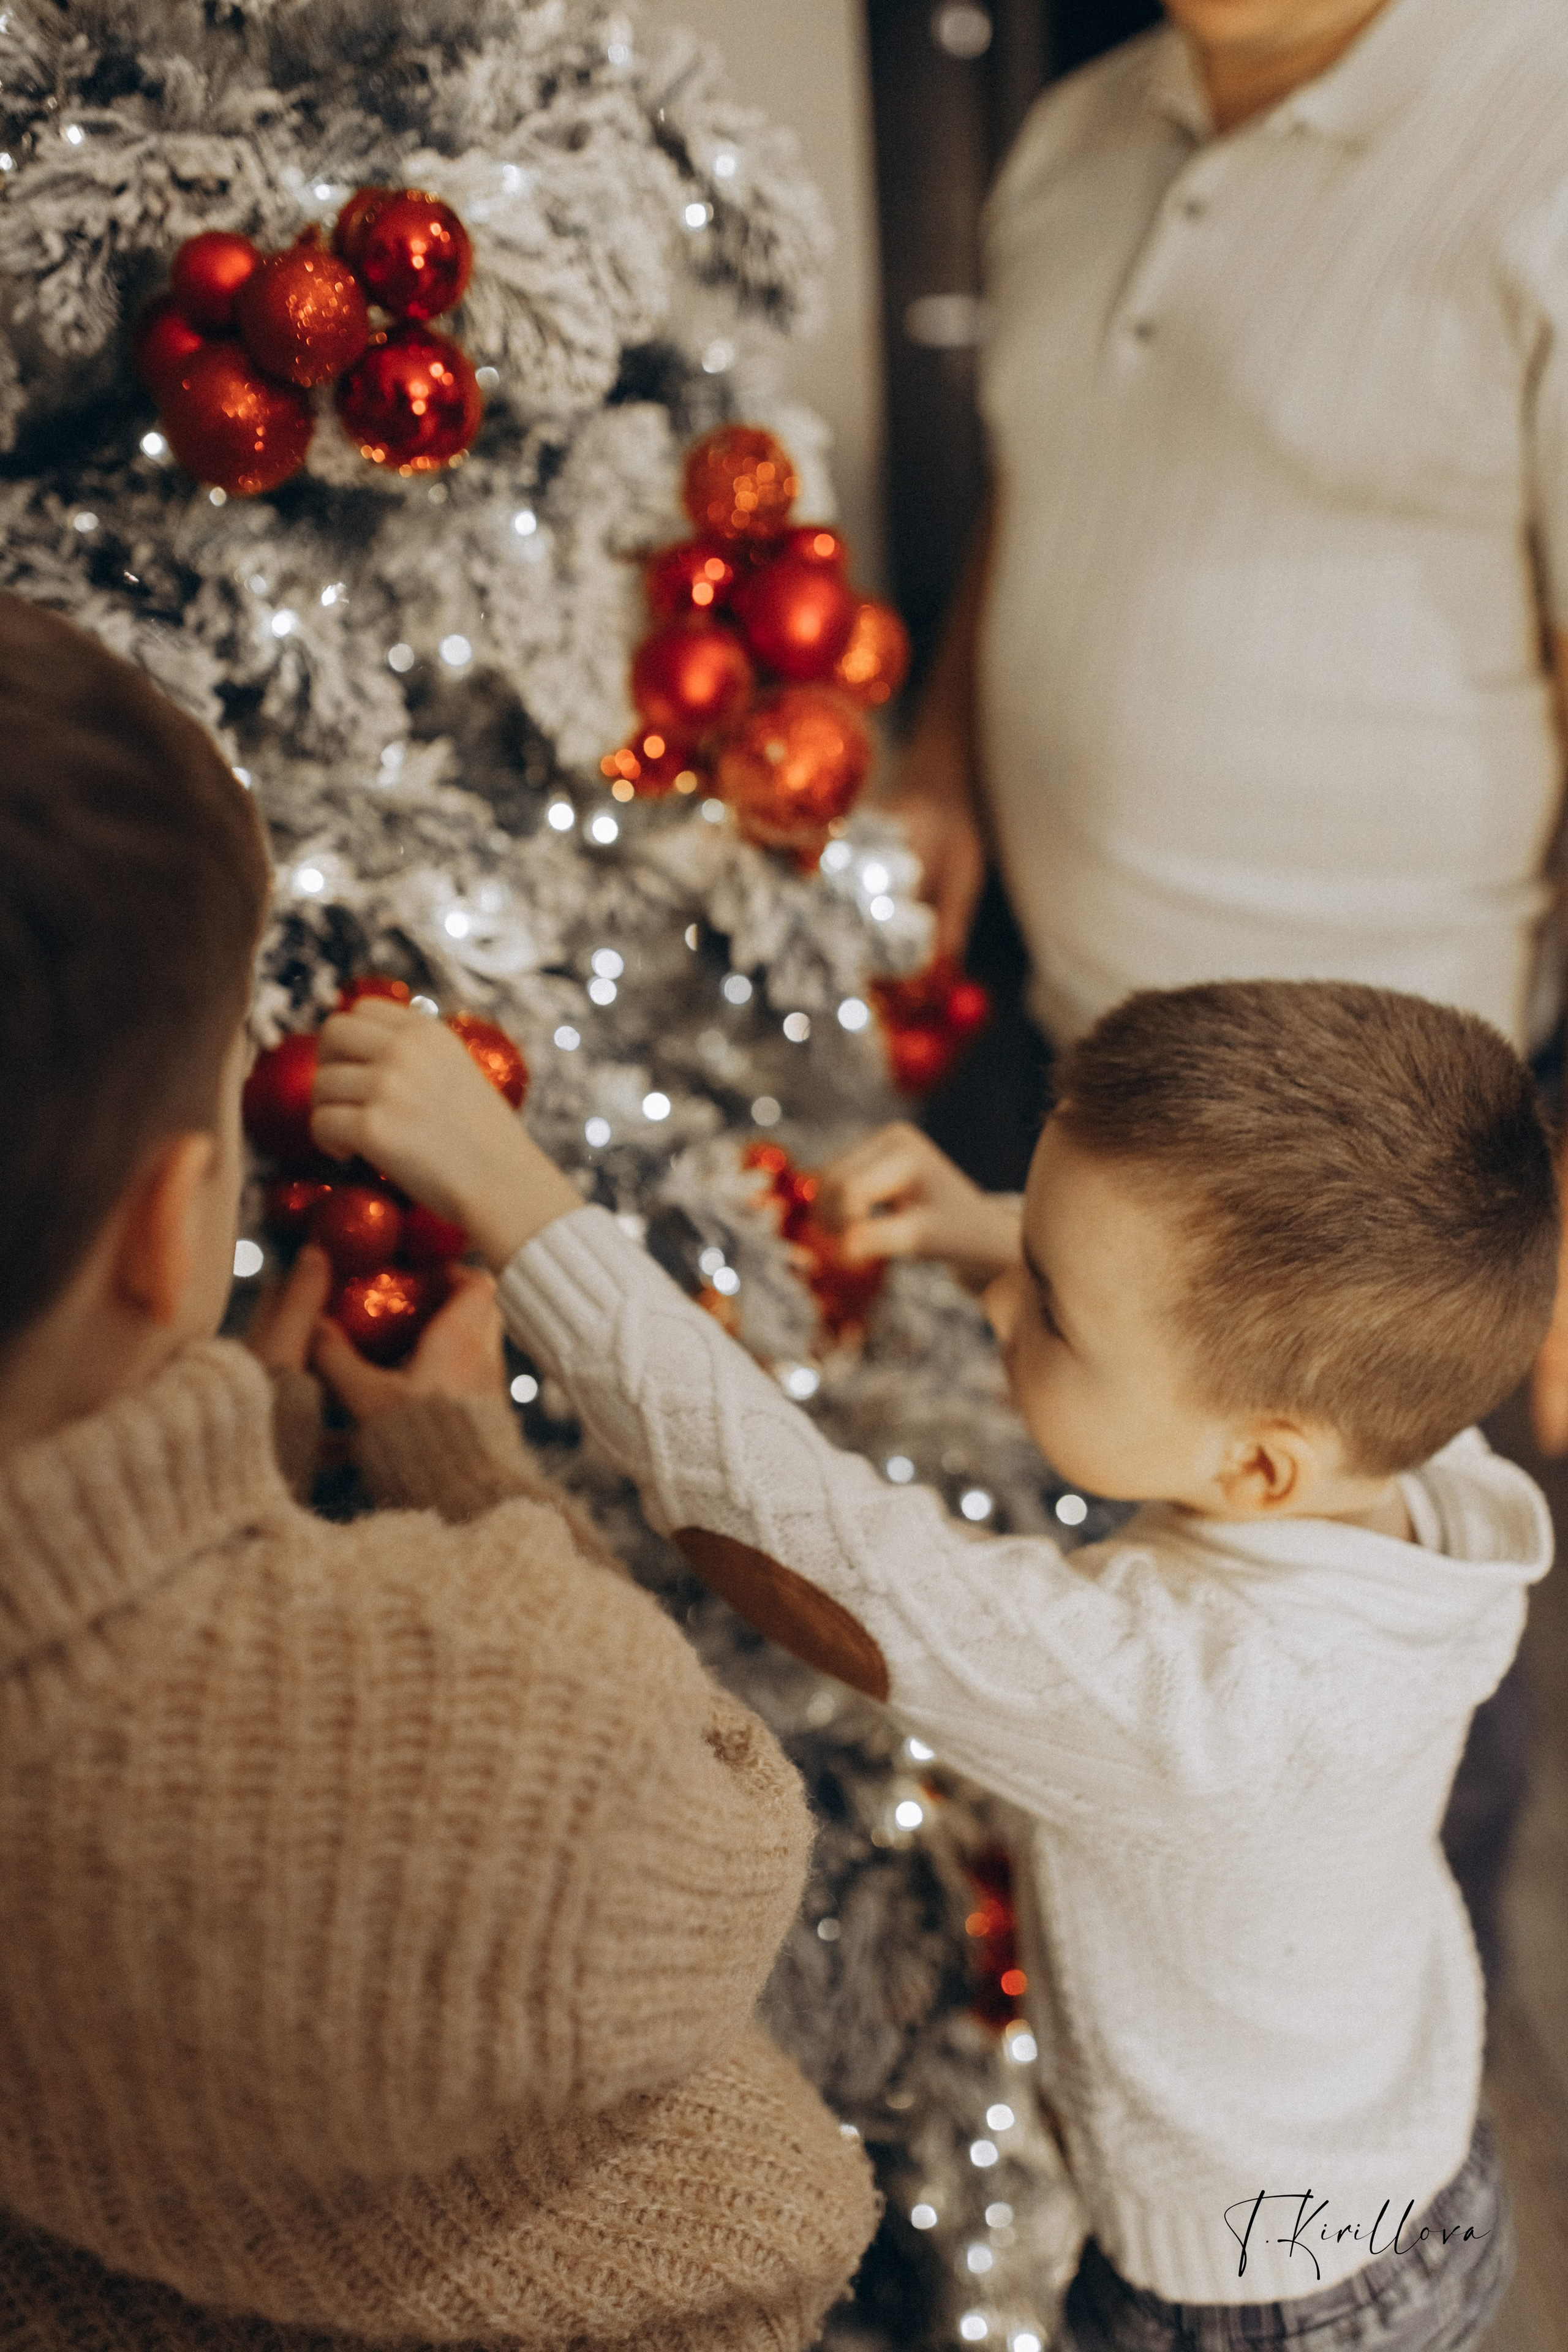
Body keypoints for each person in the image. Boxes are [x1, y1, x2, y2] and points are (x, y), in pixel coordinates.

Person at [308, 975, 1556, 2352]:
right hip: (1423, 2171)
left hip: (1259, 2298)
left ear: (1256, 1465)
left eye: (1055, 1314)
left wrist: (503, 1186)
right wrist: (995, 1237)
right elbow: (1210, 1346)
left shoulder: (1189, 1702)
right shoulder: (1432, 1485)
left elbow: (809, 1546)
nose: (1006, 1306)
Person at [0, 592, 877, 2352]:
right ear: (173, 1229)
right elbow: (724, 1840)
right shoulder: (465, 1691)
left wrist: (200, 1460)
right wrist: (470, 1467)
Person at [886, 0, 1568, 1446]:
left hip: (1379, 1208)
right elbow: (1043, 480)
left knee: (1380, 1653)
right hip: (1062, 1090)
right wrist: (942, 760)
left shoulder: (1542, 127)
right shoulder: (1072, 130)